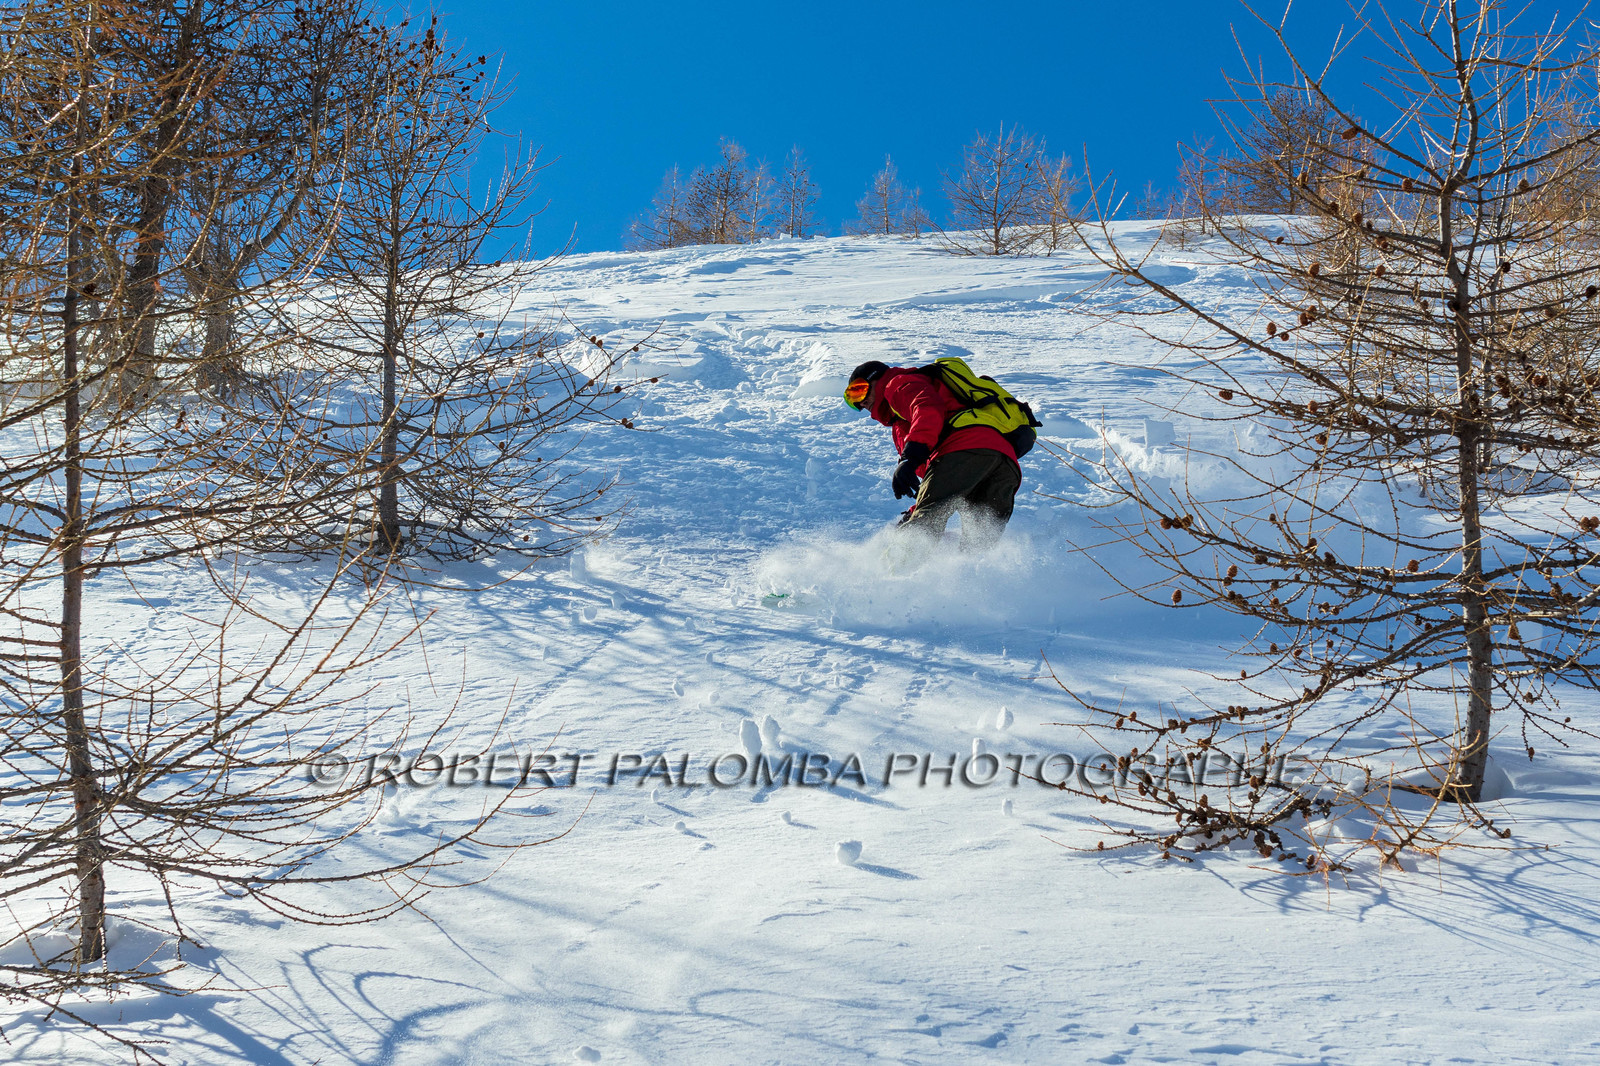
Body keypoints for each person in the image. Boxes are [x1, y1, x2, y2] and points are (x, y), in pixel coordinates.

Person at [843, 359, 1021, 553]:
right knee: (979, 546)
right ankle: (975, 580)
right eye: (852, 398)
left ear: (878, 379)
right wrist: (916, 511)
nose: (860, 401)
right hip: (1004, 462)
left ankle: (888, 580)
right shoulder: (902, 422)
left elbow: (927, 408)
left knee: (921, 532)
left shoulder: (898, 384)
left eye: (859, 389)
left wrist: (909, 458)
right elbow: (941, 483)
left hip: (965, 450)